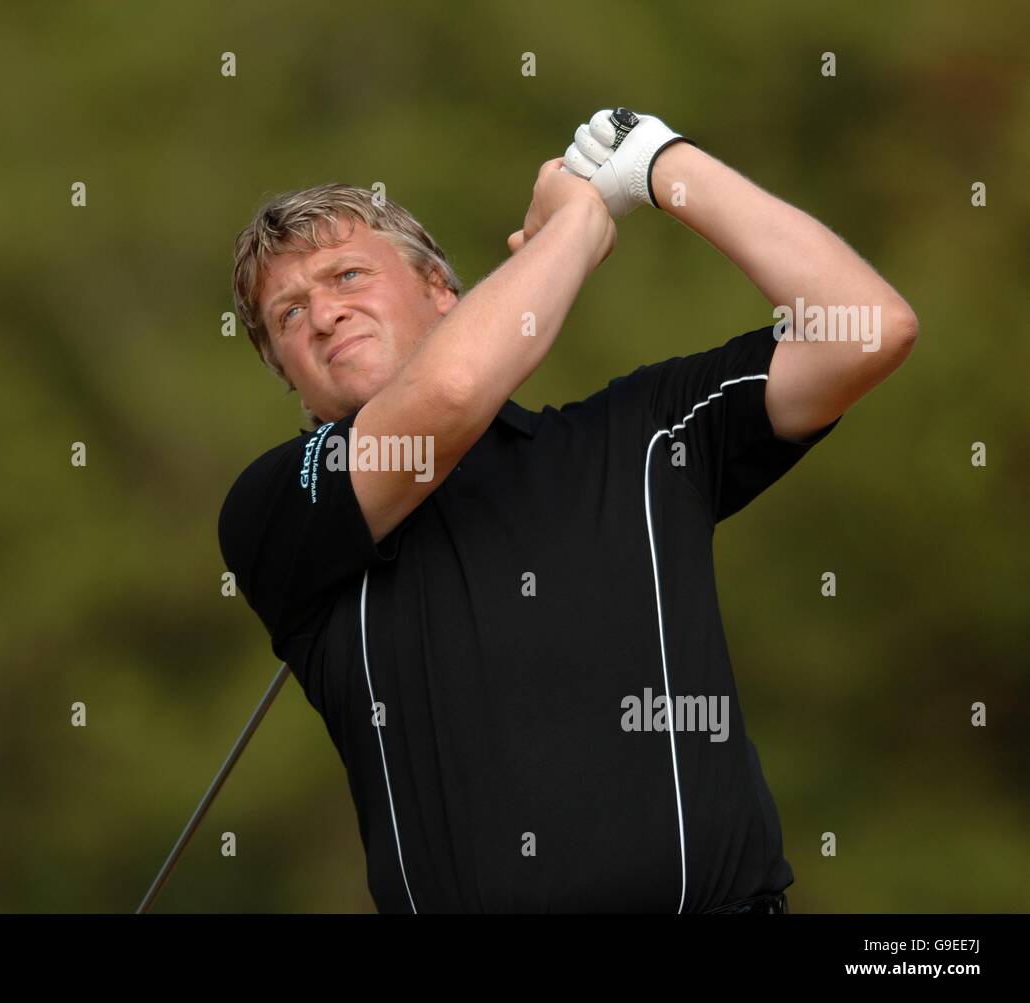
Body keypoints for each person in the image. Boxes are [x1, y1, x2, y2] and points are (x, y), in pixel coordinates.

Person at [218, 108, 918, 913]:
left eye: (346, 276)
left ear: (443, 291)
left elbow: (869, 329)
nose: (324, 314)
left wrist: (662, 166)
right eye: (289, 315)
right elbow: (448, 393)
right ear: (291, 383)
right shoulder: (279, 508)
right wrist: (580, 226)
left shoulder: (641, 434)